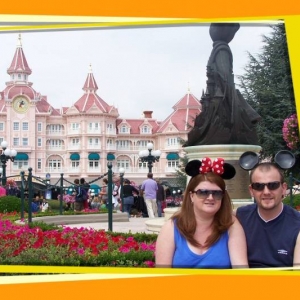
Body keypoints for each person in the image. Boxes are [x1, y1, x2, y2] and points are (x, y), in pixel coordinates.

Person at [155, 157, 248, 268]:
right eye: (203, 192)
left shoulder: (231, 225)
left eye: (217, 193)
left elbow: (241, 271)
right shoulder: (171, 227)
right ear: (191, 196)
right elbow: (163, 274)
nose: (210, 197)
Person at [186, 23, 260, 147]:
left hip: (217, 92)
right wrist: (231, 97)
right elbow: (225, 76)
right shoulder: (222, 50)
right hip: (222, 95)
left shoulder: (216, 49)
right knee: (244, 117)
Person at [236, 162, 300, 268]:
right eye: (258, 186)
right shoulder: (239, 218)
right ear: (251, 190)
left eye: (273, 185)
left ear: (283, 188)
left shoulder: (297, 224)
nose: (266, 192)